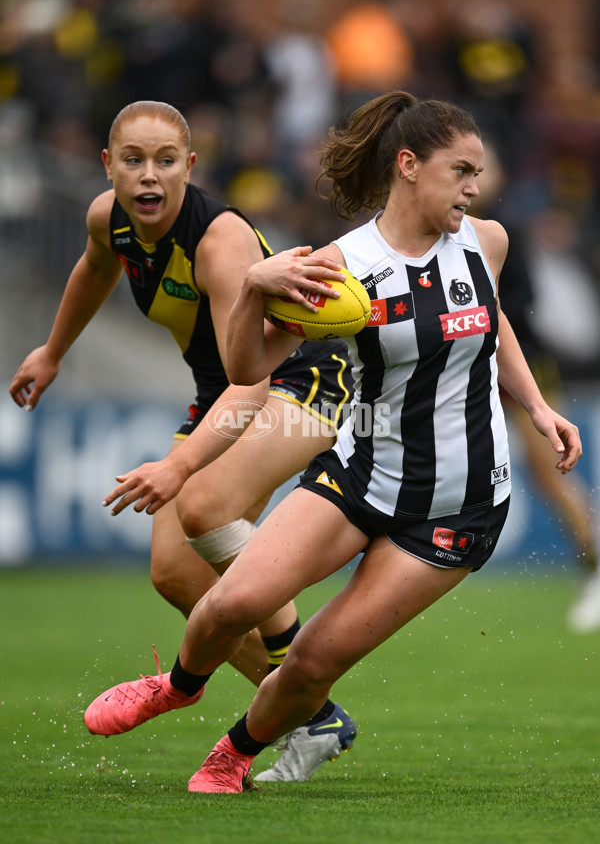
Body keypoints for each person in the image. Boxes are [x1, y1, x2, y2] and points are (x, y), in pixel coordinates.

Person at [81, 91, 582, 794]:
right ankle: (179, 686)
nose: (475, 187)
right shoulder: (339, 266)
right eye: (461, 171)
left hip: (456, 511)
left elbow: (492, 324)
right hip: (360, 477)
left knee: (312, 660)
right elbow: (248, 369)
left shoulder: (486, 241)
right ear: (409, 166)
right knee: (231, 606)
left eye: (477, 173)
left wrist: (534, 405)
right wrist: (255, 286)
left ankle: (235, 751)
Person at [8, 100, 357, 781]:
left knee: (203, 503)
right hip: (219, 394)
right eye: (132, 161)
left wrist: (180, 465)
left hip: (299, 382)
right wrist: (52, 351)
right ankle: (313, 713)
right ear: (107, 166)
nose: (149, 176)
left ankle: (294, 682)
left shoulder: (218, 243)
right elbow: (93, 270)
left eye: (165, 161)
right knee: (176, 573)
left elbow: (252, 382)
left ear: (189, 167)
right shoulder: (105, 219)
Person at [473, 139, 600, 633]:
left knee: (551, 471)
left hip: (517, 359)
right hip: (467, 362)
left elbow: (520, 306)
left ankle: (593, 567)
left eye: (483, 167)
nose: (476, 179)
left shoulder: (504, 233)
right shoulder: (440, 232)